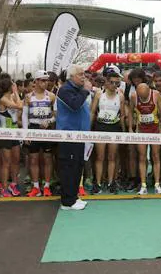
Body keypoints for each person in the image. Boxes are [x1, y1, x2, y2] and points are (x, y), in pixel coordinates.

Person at [56, 64, 91, 211]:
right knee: (69, 168)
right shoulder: (65, 90)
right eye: (80, 74)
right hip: (69, 136)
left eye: (84, 74)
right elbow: (74, 105)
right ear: (72, 76)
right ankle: (67, 201)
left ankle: (73, 197)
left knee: (77, 167)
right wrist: (86, 91)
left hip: (79, 136)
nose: (84, 76)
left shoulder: (76, 90)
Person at [90, 70, 126, 194]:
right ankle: (98, 183)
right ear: (106, 82)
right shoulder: (100, 94)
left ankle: (111, 182)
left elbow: (122, 115)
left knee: (112, 157)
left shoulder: (120, 95)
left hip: (114, 127)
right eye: (112, 82)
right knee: (100, 157)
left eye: (117, 83)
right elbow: (92, 111)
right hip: (100, 126)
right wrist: (89, 129)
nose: (114, 85)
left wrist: (124, 131)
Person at [22, 70, 56, 197]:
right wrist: (26, 134)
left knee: (48, 158)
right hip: (33, 128)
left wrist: (49, 121)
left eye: (46, 80)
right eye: (42, 80)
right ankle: (36, 187)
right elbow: (25, 116)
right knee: (33, 159)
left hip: (46, 130)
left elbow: (56, 115)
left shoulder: (51, 96)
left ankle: (46, 186)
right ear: (35, 81)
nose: (45, 83)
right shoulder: (28, 97)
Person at [129, 83, 161, 195]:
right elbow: (130, 112)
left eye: (145, 97)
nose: (143, 98)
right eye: (141, 97)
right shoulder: (134, 96)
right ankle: (143, 185)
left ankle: (157, 184)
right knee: (142, 157)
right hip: (141, 130)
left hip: (154, 130)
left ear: (149, 91)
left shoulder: (156, 95)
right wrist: (130, 128)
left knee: (155, 156)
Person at [0, 78, 24, 197]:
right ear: (9, 87)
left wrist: (15, 94)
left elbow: (20, 104)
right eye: (13, 86)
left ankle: (14, 184)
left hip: (14, 132)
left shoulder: (11, 97)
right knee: (6, 163)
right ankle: (4, 188)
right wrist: (16, 92)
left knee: (16, 160)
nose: (15, 87)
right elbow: (20, 106)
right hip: (5, 133)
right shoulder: (3, 99)